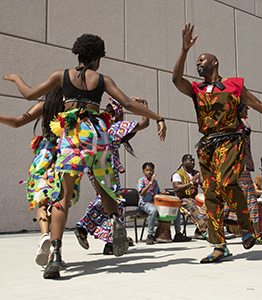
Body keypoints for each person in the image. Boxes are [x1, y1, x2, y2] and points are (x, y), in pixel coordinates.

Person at [3, 33, 167, 279]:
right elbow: (127, 104)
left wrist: (16, 78)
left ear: (78, 54)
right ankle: (115, 221)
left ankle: (55, 254)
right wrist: (157, 117)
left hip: (74, 134)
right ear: (97, 57)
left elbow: (29, 94)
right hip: (99, 134)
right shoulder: (103, 79)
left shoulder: (62, 75)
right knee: (103, 187)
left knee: (63, 195)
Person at [172, 23, 262, 263]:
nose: (198, 64)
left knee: (226, 182)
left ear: (214, 63)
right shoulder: (197, 89)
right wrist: (184, 50)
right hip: (207, 144)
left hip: (231, 140)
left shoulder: (234, 85)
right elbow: (176, 79)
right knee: (210, 193)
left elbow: (259, 104)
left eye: (201, 60)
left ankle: (247, 225)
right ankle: (219, 246)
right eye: (196, 61)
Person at [0, 87, 71, 266]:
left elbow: (17, 122)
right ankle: (56, 250)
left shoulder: (44, 106)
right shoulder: (72, 108)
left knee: (41, 200)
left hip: (45, 156)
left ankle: (45, 235)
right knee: (60, 204)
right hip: (66, 156)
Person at [75, 96, 149, 254]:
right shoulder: (116, 127)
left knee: (106, 200)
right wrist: (144, 106)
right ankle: (85, 227)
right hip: (108, 168)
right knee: (114, 202)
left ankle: (108, 242)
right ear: (117, 115)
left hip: (93, 168)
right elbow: (145, 123)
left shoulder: (98, 127)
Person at [223, 105, 262, 244]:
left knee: (250, 202)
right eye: (244, 108)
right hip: (234, 167)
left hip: (241, 167)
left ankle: (255, 234)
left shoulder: (241, 122)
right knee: (227, 199)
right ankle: (215, 235)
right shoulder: (234, 123)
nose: (246, 111)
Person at [171, 154, 207, 242]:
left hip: (195, 198)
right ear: (184, 162)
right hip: (183, 200)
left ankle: (201, 230)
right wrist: (191, 183)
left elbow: (203, 185)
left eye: (193, 161)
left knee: (209, 204)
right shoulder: (178, 174)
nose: (192, 162)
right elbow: (176, 188)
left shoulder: (196, 173)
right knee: (192, 205)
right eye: (190, 160)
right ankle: (204, 230)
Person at [138, 162, 167, 245]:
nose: (149, 172)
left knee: (169, 209)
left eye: (151, 170)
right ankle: (150, 235)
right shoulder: (142, 181)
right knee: (153, 211)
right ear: (143, 171)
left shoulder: (155, 182)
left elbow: (157, 192)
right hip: (145, 203)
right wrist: (150, 183)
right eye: (147, 170)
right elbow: (142, 193)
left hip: (154, 202)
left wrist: (163, 193)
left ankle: (163, 233)